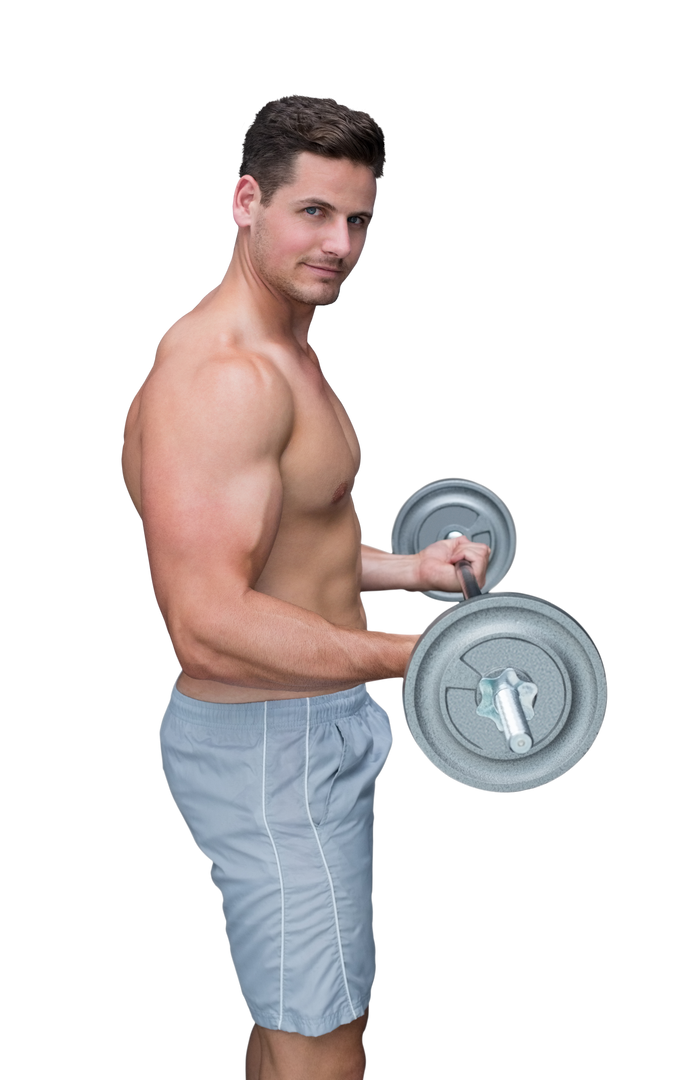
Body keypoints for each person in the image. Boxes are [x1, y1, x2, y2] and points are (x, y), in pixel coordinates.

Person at [119, 91, 491, 1080]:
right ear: (247, 200)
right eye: (312, 212)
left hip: (303, 731)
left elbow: (286, 551)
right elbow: (205, 623)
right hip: (272, 750)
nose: (339, 243)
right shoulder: (225, 377)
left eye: (358, 218)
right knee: (326, 1041)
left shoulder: (290, 349)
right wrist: (419, 657)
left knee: (296, 1019)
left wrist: (410, 573)